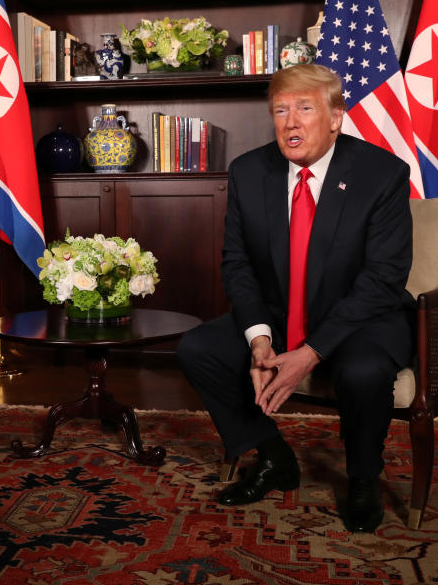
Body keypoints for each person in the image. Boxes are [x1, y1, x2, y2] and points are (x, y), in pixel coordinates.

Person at [177, 64, 414, 533]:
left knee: (363, 371)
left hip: (361, 319)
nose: (291, 122)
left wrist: (311, 353)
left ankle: (363, 477)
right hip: (281, 314)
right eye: (281, 110)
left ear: (335, 117)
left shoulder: (381, 174)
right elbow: (237, 263)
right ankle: (273, 456)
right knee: (198, 349)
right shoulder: (249, 171)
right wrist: (260, 339)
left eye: (305, 108)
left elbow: (383, 278)